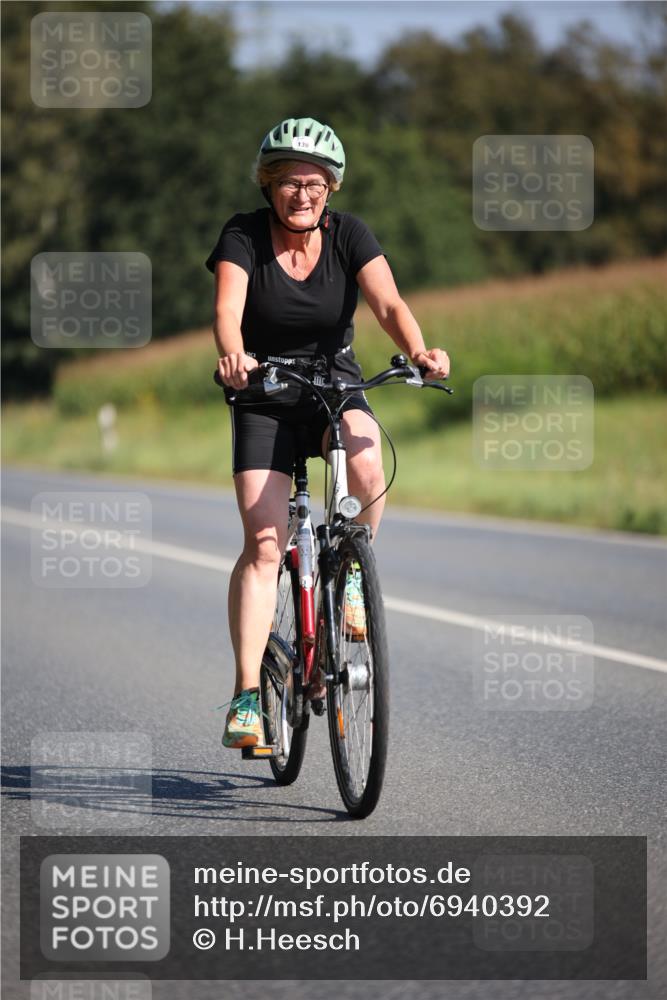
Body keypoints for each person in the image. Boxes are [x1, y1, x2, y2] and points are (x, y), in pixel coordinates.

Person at [206, 117, 449, 749]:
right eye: (289, 182)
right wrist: (234, 356)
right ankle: (246, 697)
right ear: (270, 185)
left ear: (331, 188)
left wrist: (420, 351)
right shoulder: (243, 235)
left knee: (368, 467)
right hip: (263, 391)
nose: (302, 194)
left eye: (314, 183)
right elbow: (228, 312)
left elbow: (389, 306)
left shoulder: (350, 235)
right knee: (264, 543)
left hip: (334, 383)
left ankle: (352, 582)